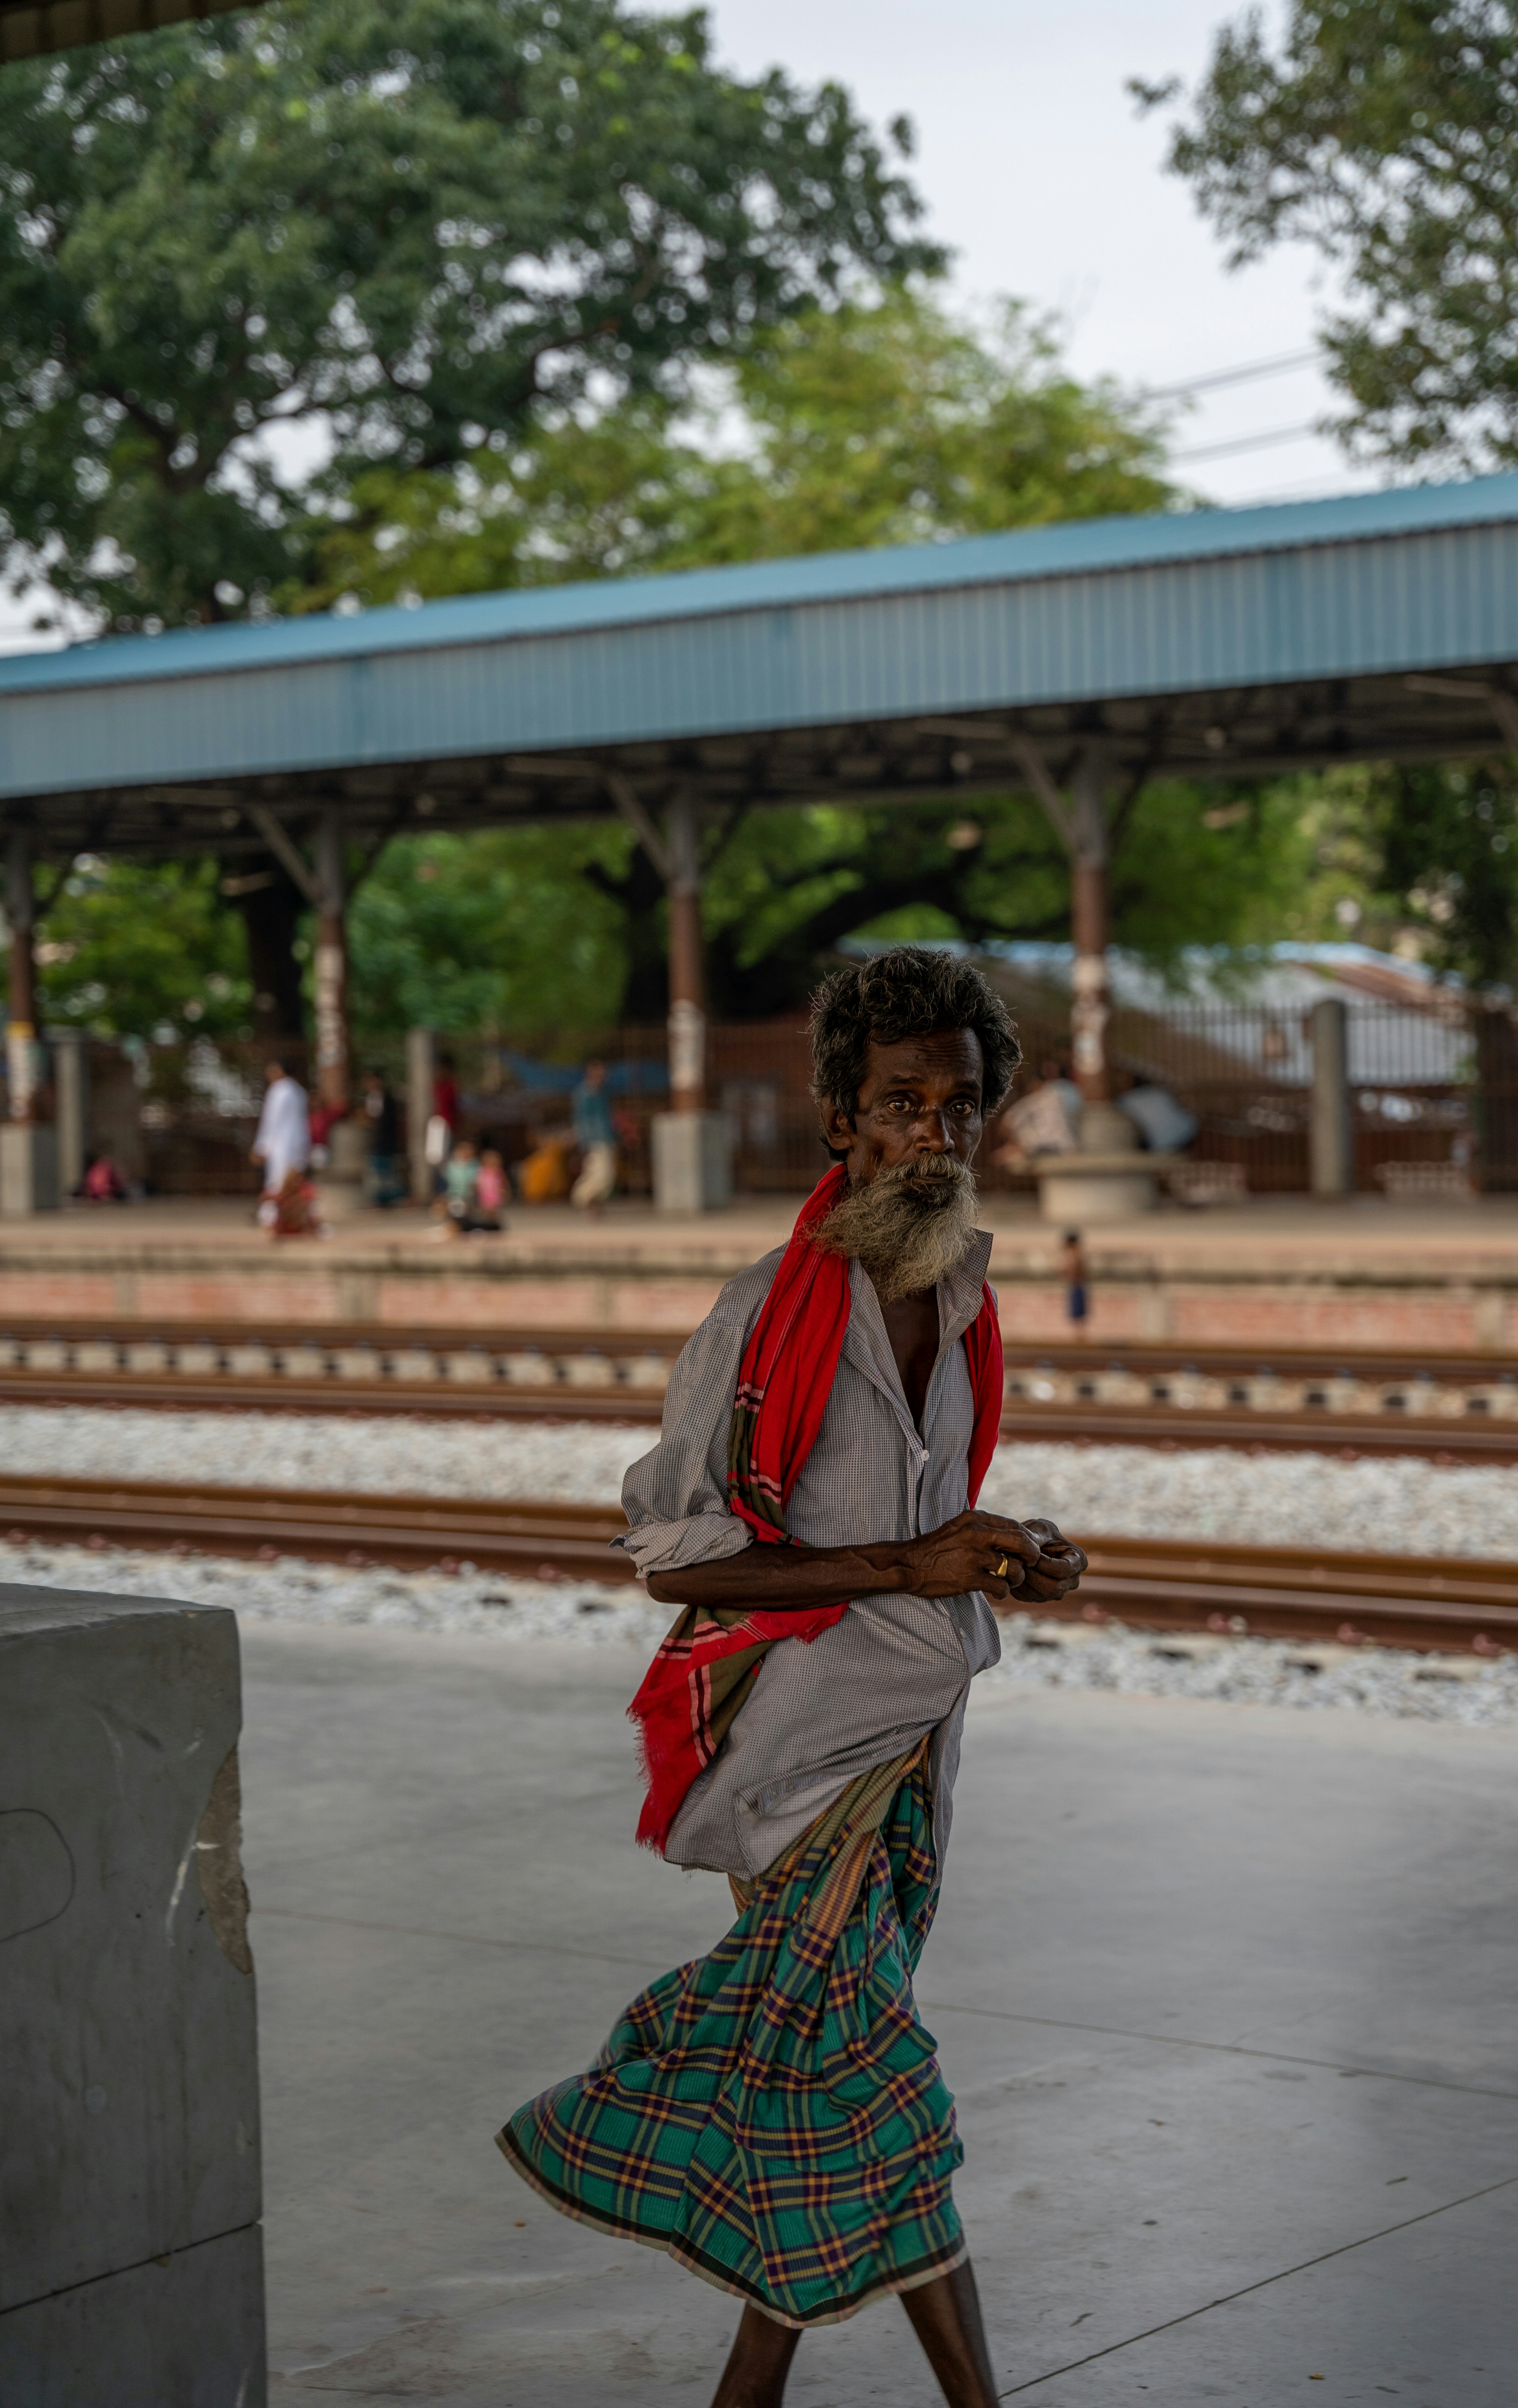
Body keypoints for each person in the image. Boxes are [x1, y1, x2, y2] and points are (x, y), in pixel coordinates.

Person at [498, 947, 1087, 2408]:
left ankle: (747, 2393)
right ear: (842, 1123)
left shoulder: (961, 1306)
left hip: (916, 1755)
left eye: (960, 1106)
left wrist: (1009, 1559)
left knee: (816, 2096)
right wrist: (910, 1563)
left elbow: (934, 1536)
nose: (935, 1135)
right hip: (792, 1761)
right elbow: (676, 1559)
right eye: (902, 1104)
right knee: (879, 2087)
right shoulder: (763, 1316)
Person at [996, 1054, 1082, 1168]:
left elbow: (1007, 1123)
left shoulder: (1049, 1094)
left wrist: (1014, 1144)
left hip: (1042, 1145)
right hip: (1063, 1146)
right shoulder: (1064, 1091)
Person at [250, 1057, 311, 1217]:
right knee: (294, 1179)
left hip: (281, 1144)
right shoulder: (300, 1091)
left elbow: (271, 1121)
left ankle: (273, 1215)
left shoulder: (278, 1090)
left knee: (277, 1179)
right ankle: (293, 1213)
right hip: (299, 1141)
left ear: (280, 1070)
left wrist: (261, 1147)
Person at [568, 1055, 617, 1215]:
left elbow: (607, 1118)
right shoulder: (584, 1093)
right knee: (601, 1174)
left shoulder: (602, 1093)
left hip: (605, 1137)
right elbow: (581, 1119)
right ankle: (582, 1197)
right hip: (594, 1139)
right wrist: (583, 1139)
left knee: (604, 1174)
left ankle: (592, 1202)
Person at [363, 1071, 404, 1207]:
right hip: (377, 1141)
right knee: (378, 1171)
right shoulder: (372, 1098)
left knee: (387, 1171)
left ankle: (388, 1199)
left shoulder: (387, 1099)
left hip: (386, 1140)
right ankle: (380, 1200)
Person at [1061, 1228, 1088, 1333]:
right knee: (1078, 1315)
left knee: (1078, 1315)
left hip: (1076, 1285)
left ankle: (1079, 1336)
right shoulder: (1078, 1254)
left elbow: (1074, 1270)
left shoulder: (1074, 1254)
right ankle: (1079, 1335)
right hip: (1077, 1285)